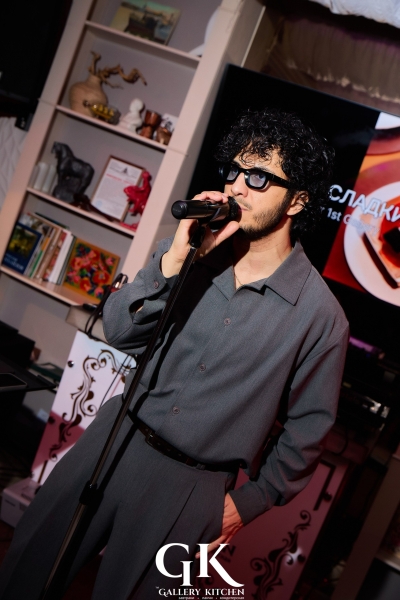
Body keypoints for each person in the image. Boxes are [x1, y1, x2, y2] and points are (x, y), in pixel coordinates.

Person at [0, 108, 349, 599]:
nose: (237, 186)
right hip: (113, 441)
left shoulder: (321, 316)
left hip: (189, 489)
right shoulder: (191, 252)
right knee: (27, 572)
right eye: (233, 171)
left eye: (258, 177)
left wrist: (249, 503)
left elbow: (308, 431)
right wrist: (177, 258)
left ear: (298, 200)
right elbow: (120, 331)